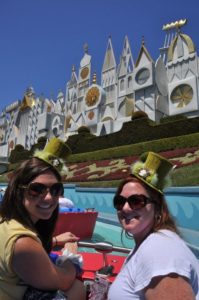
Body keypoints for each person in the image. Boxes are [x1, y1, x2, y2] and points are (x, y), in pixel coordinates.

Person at [0, 137, 86, 300]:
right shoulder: (23, 243)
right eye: (36, 189)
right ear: (19, 190)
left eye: (55, 189)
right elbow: (63, 281)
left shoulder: (5, 220)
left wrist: (53, 241)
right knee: (76, 287)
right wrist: (70, 258)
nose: (48, 198)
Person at [108, 151, 199, 300]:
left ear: (157, 207)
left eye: (136, 201)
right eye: (119, 201)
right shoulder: (150, 243)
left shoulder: (159, 250)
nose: (125, 208)